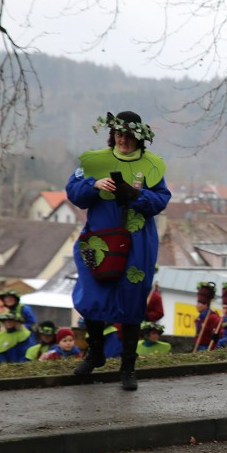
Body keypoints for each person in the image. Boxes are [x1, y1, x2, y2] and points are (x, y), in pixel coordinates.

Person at [67, 110, 171, 391]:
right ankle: (96, 352)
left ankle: (128, 366)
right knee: (92, 296)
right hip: (99, 239)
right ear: (111, 135)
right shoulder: (94, 161)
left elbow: (162, 199)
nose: (123, 139)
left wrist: (137, 195)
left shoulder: (152, 165)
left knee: (131, 298)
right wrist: (93, 184)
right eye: (118, 134)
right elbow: (73, 192)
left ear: (141, 139)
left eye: (129, 135)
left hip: (137, 242)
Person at [192, 282, 221, 351]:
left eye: (200, 303)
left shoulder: (213, 318)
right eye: (197, 303)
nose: (197, 305)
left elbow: (215, 338)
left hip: (207, 349)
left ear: (205, 305)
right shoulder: (199, 318)